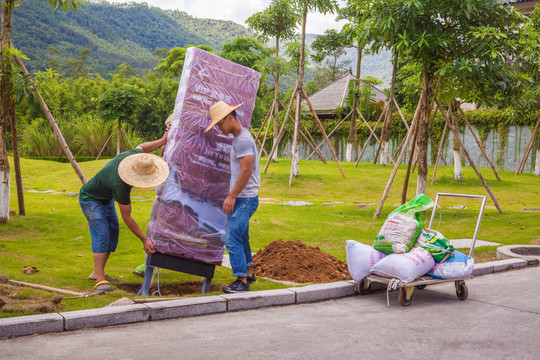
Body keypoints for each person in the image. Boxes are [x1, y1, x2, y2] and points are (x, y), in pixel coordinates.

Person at [79, 133, 169, 292]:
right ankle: (100, 280)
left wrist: (162, 141)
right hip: (90, 199)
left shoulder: (134, 156)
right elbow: (127, 217)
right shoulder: (121, 183)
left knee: (113, 233)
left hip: (105, 199)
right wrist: (144, 239)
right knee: (102, 234)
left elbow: (142, 147)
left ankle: (96, 272)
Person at [205, 101, 260, 293]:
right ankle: (250, 274)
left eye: (220, 124)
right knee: (242, 237)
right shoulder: (239, 139)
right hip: (243, 198)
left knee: (231, 237)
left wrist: (232, 196)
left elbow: (246, 170)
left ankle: (242, 281)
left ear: (230, 117)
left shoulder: (243, 140)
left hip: (245, 199)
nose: (220, 129)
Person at [133, 114, 173, 277]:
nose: (167, 129)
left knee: (165, 229)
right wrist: (166, 139)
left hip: (173, 195)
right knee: (154, 228)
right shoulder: (170, 143)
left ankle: (154, 262)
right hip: (162, 194)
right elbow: (163, 153)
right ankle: (149, 262)